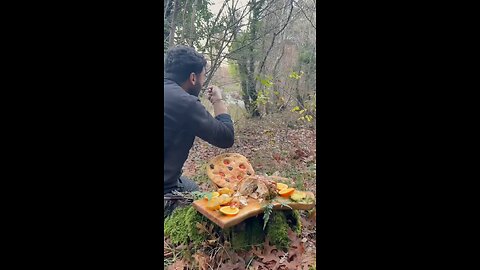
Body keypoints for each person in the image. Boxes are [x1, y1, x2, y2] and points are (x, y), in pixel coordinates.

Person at [164, 45, 234, 211]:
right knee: (206, 206)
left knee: (192, 187)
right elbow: (226, 137)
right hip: (165, 190)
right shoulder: (184, 102)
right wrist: (218, 101)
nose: (203, 83)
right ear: (193, 78)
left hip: (171, 180)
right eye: (203, 77)